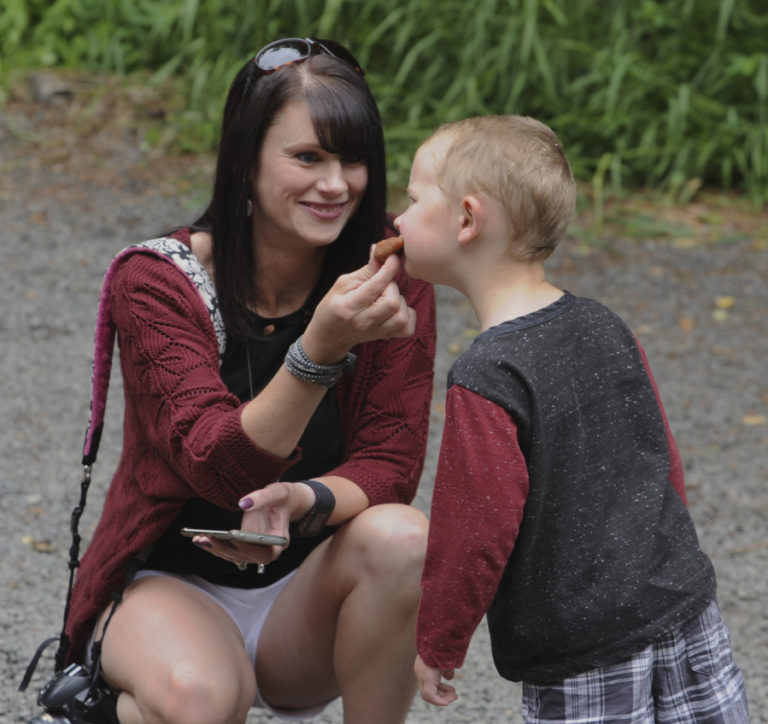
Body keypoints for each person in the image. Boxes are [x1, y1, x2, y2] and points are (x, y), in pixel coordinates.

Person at [63, 37, 437, 723]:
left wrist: (302, 499)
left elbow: (391, 461)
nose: (336, 184)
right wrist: (319, 350)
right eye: (307, 157)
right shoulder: (159, 281)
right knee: (200, 699)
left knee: (404, 538)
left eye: (352, 159)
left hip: (304, 598)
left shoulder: (386, 270)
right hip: (167, 582)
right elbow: (216, 466)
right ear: (244, 158)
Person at [394, 114, 749, 723]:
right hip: (684, 604)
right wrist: (660, 556)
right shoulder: (603, 322)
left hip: (583, 648)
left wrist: (439, 640)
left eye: (411, 199)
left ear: (467, 220)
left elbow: (476, 527)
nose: (397, 220)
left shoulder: (488, 375)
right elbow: (661, 457)